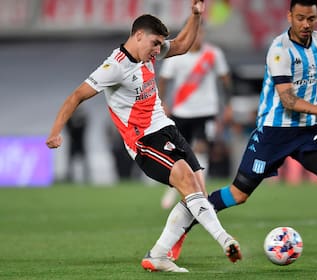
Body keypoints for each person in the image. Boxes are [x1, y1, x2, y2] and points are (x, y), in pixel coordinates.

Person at [45, 0, 241, 273]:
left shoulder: (149, 53)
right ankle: (225, 240)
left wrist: (195, 15)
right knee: (187, 180)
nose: (159, 49)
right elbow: (77, 95)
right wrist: (55, 132)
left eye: (161, 44)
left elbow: (183, 45)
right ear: (138, 36)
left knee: (198, 190)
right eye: (155, 43)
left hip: (167, 128)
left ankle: (158, 255)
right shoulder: (115, 66)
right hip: (143, 141)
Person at [168, 0, 317, 264]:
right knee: (237, 194)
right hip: (274, 132)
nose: (306, 24)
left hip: (307, 130)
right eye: (300, 18)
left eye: (311, 18)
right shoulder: (279, 50)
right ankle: (180, 231)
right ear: (289, 16)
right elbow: (288, 100)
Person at [157, 20, 233, 209]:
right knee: (178, 156)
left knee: (200, 150)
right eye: (194, 32)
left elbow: (225, 80)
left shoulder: (213, 54)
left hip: (207, 112)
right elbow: (164, 80)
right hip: (181, 112)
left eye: (201, 32)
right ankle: (173, 190)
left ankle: (199, 194)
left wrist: (229, 104)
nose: (198, 36)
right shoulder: (176, 55)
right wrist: (162, 103)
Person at [65, 107, 89, 183]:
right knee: (71, 162)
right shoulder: (70, 121)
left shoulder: (81, 120)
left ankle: (86, 177)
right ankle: (70, 177)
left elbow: (84, 125)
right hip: (73, 143)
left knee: (84, 162)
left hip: (80, 143)